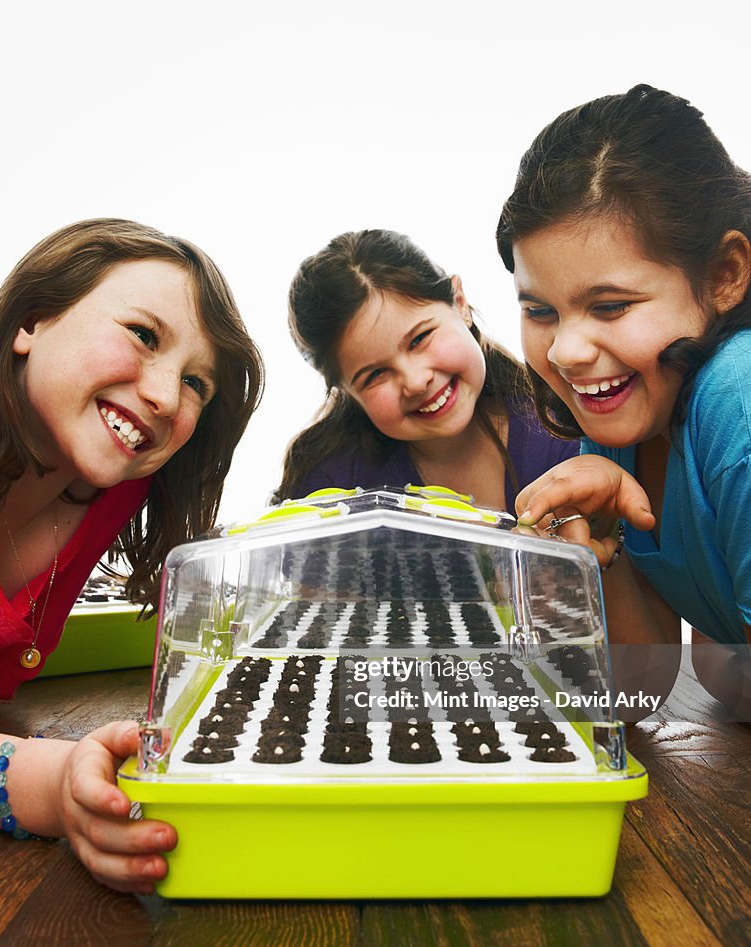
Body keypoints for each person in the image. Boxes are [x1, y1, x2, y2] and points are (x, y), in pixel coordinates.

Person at [0, 218, 263, 891]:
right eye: (142, 335)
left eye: (198, 384)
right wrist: (50, 785)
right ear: (32, 320)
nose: (167, 397)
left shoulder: (112, 493)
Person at [496, 84, 751, 715]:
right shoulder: (626, 420)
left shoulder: (737, 401)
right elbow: (638, 693)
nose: (566, 351)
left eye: (609, 306)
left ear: (724, 276)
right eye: (539, 310)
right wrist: (596, 552)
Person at [274, 229, 577, 512]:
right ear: (345, 391)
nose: (417, 382)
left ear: (460, 303)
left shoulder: (566, 428)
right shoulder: (331, 491)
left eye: (419, 339)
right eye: (375, 375)